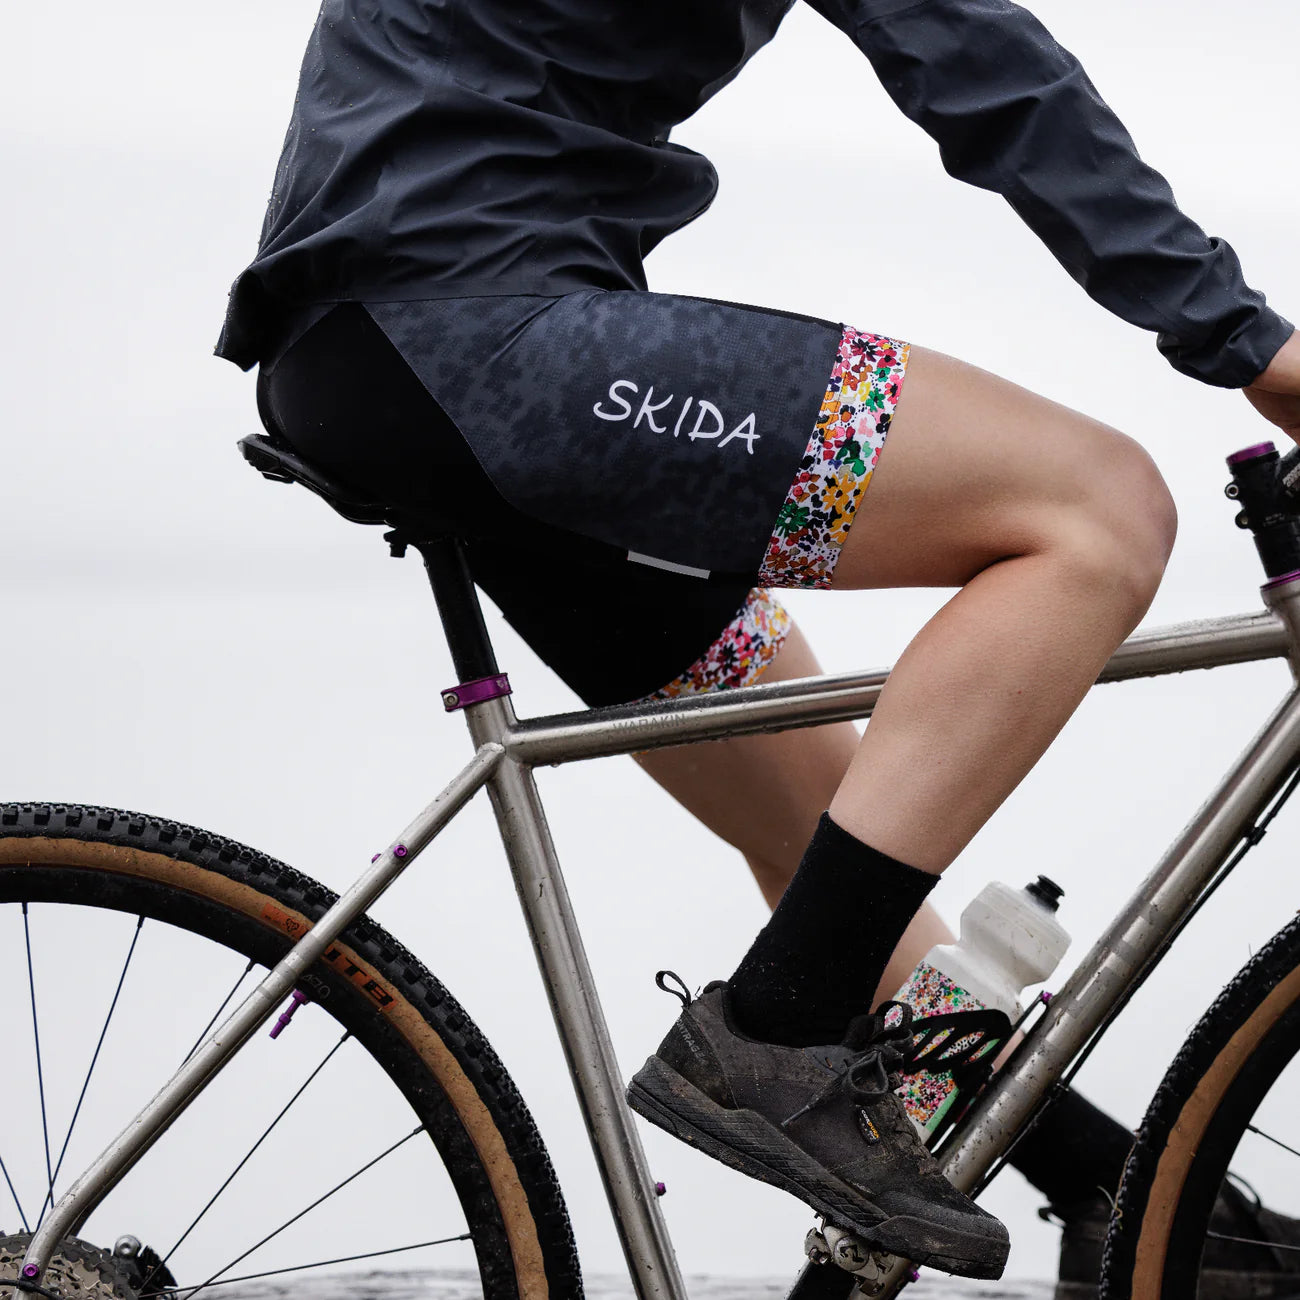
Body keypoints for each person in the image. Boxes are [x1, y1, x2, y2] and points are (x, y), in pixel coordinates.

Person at [217, 0, 1300, 1284]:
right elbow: (976, 57)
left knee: (836, 828)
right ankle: (774, 1032)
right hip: (477, 341)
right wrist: (1253, 345)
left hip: (421, 352)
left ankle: (1108, 1189)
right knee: (1098, 510)